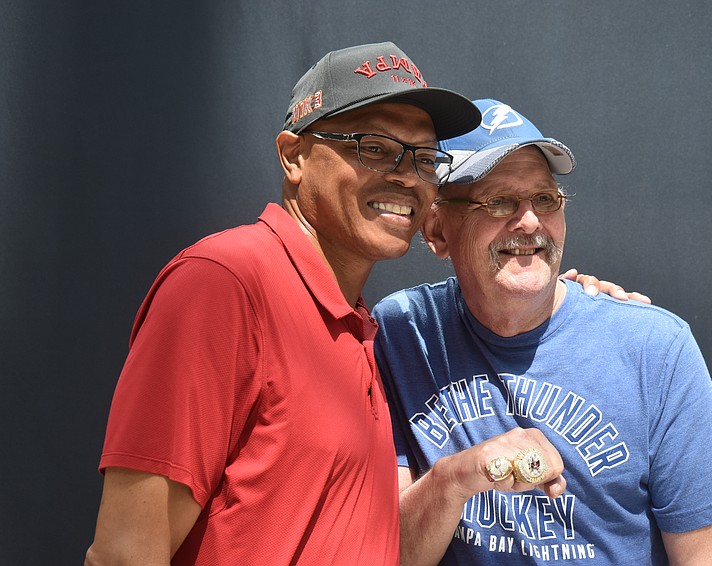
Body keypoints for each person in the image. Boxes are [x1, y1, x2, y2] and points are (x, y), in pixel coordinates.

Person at [84, 45, 628, 565]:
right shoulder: (225, 283)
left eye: (423, 159)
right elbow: (123, 554)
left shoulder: (371, 327)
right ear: (293, 156)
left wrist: (569, 299)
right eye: (374, 148)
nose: (405, 175)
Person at [372, 99, 712, 565]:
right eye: (499, 202)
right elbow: (389, 555)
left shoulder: (654, 348)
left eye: (546, 200)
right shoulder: (404, 333)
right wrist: (457, 478)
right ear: (437, 231)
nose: (530, 221)